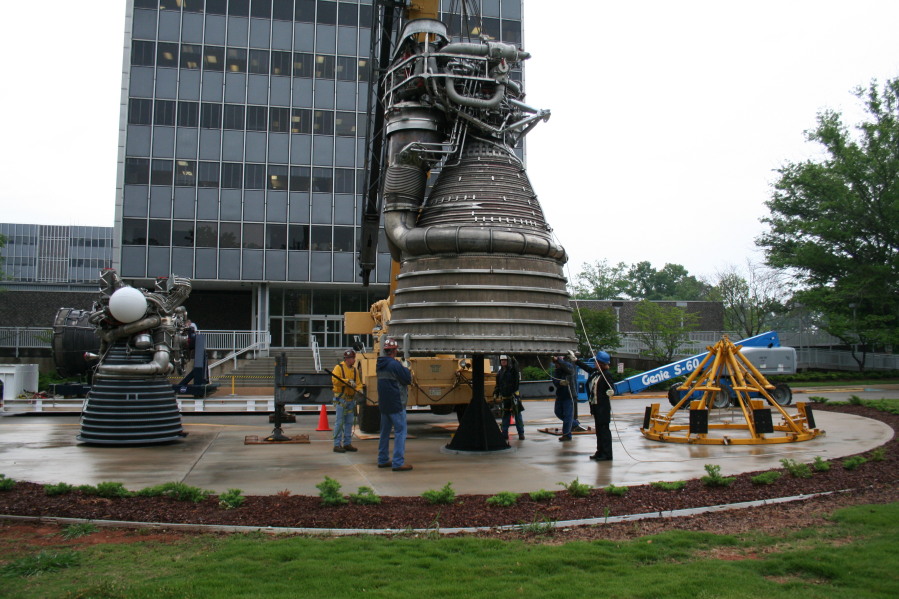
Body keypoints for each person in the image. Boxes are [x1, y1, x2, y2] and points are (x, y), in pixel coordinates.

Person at [376, 338, 413, 471]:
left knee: (384, 432)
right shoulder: (395, 365)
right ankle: (398, 462)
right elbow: (407, 379)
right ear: (395, 351)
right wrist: (406, 368)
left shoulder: (379, 364)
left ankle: (383, 459)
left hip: (384, 404)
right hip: (396, 403)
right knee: (400, 432)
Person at [574, 350, 615, 461]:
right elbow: (587, 368)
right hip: (596, 406)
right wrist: (576, 361)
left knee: (604, 431)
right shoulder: (596, 373)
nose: (594, 363)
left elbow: (612, 387)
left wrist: (611, 391)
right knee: (599, 431)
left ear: (601, 363)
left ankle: (607, 454)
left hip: (603, 408)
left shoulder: (606, 375)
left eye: (596, 361)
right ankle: (600, 451)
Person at [331, 349, 361, 453]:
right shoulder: (338, 368)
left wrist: (359, 389)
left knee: (349, 422)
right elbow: (335, 380)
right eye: (353, 358)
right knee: (339, 422)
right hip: (341, 399)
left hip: (350, 400)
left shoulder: (355, 370)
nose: (354, 360)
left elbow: (358, 383)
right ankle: (337, 444)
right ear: (347, 359)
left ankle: (347, 443)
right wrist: (347, 382)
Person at [494, 355, 524, 440]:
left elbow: (516, 366)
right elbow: (498, 385)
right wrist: (496, 393)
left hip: (514, 397)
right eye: (502, 360)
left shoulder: (513, 371)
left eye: (505, 360)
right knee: (505, 417)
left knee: (517, 416)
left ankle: (521, 433)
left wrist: (513, 358)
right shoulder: (500, 373)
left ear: (508, 361)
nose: (503, 362)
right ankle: (504, 433)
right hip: (505, 397)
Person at [551, 353, 577, 441]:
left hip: (569, 395)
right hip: (560, 395)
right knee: (558, 412)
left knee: (568, 415)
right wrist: (559, 383)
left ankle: (567, 434)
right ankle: (574, 423)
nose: (556, 365)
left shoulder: (568, 367)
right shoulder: (557, 370)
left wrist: (559, 360)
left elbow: (569, 370)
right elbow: (554, 380)